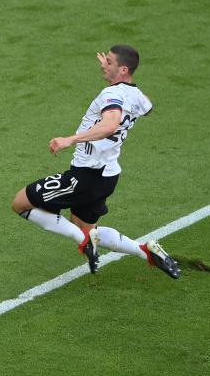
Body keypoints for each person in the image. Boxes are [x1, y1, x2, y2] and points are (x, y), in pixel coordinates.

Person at [12, 45, 180, 279]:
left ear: (123, 69)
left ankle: (83, 242)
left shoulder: (110, 95)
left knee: (20, 204)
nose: (104, 64)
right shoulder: (136, 95)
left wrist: (70, 139)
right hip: (108, 176)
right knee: (85, 226)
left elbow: (110, 125)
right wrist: (121, 82)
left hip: (85, 176)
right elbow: (147, 108)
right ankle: (146, 251)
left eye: (109, 62)